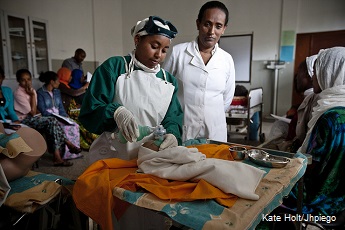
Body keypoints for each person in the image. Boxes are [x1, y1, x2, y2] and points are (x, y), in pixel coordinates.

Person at [79, 15, 183, 162]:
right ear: (137, 40)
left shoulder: (169, 81)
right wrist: (115, 112)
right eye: (154, 46)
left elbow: (172, 118)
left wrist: (172, 134)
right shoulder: (114, 68)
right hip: (113, 154)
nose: (158, 55)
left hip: (150, 156)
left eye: (165, 50)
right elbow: (90, 111)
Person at [163, 1, 235, 143]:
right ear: (198, 24)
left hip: (215, 130)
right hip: (184, 127)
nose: (211, 31)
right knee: (183, 163)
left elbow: (226, 99)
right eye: (207, 24)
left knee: (215, 164)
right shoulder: (179, 52)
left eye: (218, 26)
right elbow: (164, 88)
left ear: (224, 29)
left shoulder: (226, 59)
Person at [286, 47, 345, 216]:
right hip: (341, 203)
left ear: (330, 72)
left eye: (319, 69)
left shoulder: (329, 118)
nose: (313, 76)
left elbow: (308, 168)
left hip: (318, 201)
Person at [14, 68, 81, 166]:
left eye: (28, 79)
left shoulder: (32, 90)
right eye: (23, 80)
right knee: (52, 120)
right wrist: (32, 95)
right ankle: (67, 144)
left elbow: (36, 110)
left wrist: (64, 116)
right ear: (18, 81)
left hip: (35, 117)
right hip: (24, 120)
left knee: (53, 123)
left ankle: (58, 156)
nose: (27, 82)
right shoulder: (19, 93)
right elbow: (32, 112)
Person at [263, 57, 319, 152]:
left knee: (278, 128)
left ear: (307, 74)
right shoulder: (311, 96)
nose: (296, 77)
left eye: (299, 72)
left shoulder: (315, 98)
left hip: (300, 149)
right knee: (279, 125)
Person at [36, 70, 82, 161]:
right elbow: (43, 110)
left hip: (59, 116)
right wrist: (56, 117)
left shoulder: (57, 92)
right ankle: (64, 153)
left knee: (74, 125)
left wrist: (65, 116)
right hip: (49, 117)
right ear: (52, 82)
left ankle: (72, 154)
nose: (59, 83)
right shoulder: (40, 93)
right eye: (57, 81)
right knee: (62, 127)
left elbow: (60, 107)